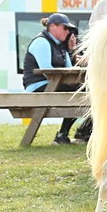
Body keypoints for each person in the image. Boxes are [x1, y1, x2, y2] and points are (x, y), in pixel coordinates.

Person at [23, 13, 78, 145]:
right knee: (81, 91)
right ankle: (63, 134)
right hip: (37, 86)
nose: (68, 31)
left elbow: (70, 71)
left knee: (84, 91)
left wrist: (72, 50)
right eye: (65, 28)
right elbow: (47, 70)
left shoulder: (61, 45)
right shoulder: (41, 42)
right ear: (52, 27)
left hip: (52, 85)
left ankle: (63, 134)